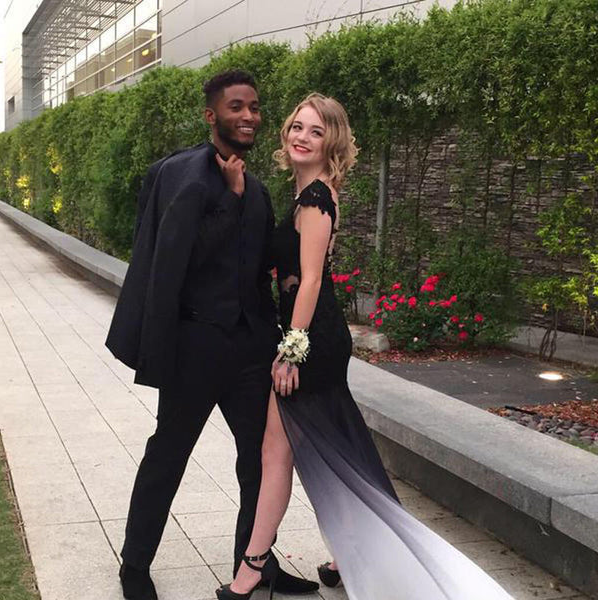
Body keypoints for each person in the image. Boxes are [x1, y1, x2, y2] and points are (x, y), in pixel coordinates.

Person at [216, 93, 515, 600]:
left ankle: (252, 567)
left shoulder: (316, 198)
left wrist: (291, 350)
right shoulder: (306, 192)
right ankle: (345, 555)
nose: (302, 137)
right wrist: (239, 191)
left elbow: (311, 281)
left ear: (330, 142)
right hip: (314, 335)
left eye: (315, 131)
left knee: (276, 451)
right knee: (338, 446)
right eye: (297, 126)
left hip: (311, 340)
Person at [105, 70, 318, 600]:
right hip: (195, 348)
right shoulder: (184, 176)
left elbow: (261, 265)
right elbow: (179, 259)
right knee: (168, 456)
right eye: (236, 107)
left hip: (250, 350)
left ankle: (255, 564)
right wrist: (232, 197)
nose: (248, 116)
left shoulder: (258, 189)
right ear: (211, 115)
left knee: (259, 462)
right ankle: (134, 565)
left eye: (254, 107)